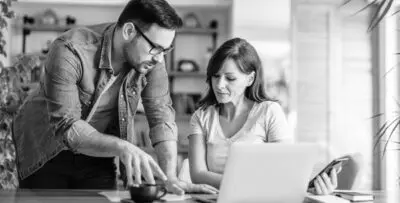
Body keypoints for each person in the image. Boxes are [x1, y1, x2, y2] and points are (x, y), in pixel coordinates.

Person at [12, 0, 217, 195]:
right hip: (46, 147)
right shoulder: (70, 50)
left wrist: (170, 177)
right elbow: (67, 126)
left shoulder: (152, 60)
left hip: (99, 150)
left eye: (166, 50)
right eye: (156, 48)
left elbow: (161, 117)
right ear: (129, 31)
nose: (160, 58)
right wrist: (122, 146)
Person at [188, 38, 338, 195]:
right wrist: (252, 183)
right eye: (215, 76)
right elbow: (198, 175)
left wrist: (309, 187)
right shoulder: (201, 117)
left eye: (230, 78)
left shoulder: (269, 112)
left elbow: (287, 170)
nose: (219, 85)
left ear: (250, 79)